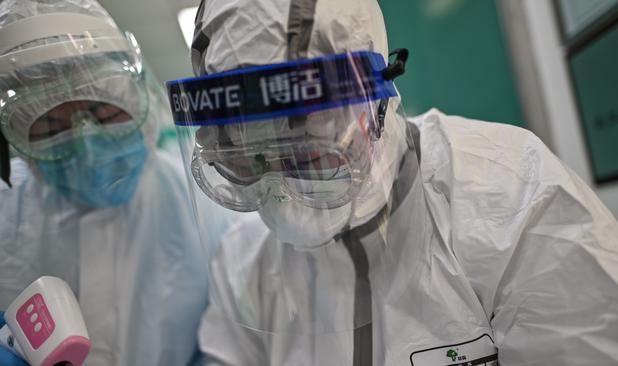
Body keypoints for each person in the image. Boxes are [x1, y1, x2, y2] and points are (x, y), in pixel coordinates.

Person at [169, 0, 618, 364]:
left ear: (373, 108)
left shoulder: (512, 196)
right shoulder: (243, 263)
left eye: (306, 153)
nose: (283, 188)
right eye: (251, 160)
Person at [0, 0, 225, 365]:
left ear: (141, 101)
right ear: (18, 139)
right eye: (52, 127)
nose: (87, 146)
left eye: (104, 114)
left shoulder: (207, 200)